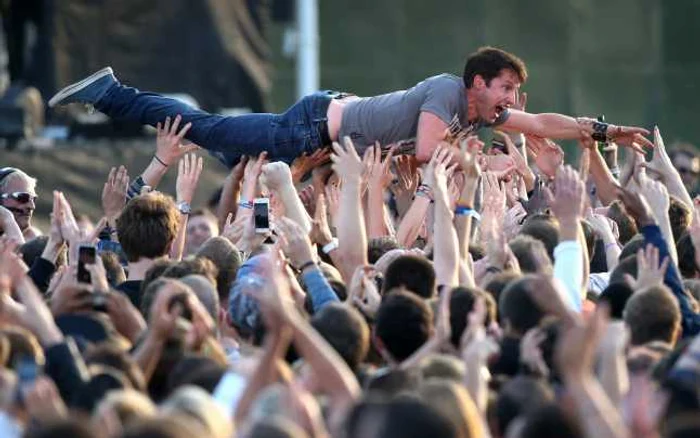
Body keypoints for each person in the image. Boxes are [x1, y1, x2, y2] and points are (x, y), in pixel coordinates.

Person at [48, 47, 653, 167]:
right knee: (206, 131)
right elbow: (423, 152)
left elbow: (544, 124)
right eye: (505, 90)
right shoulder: (448, 93)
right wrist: (479, 163)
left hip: (327, 122)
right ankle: (112, 94)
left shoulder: (476, 110)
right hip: (309, 130)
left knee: (226, 147)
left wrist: (604, 130)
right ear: (477, 83)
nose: (513, 104)